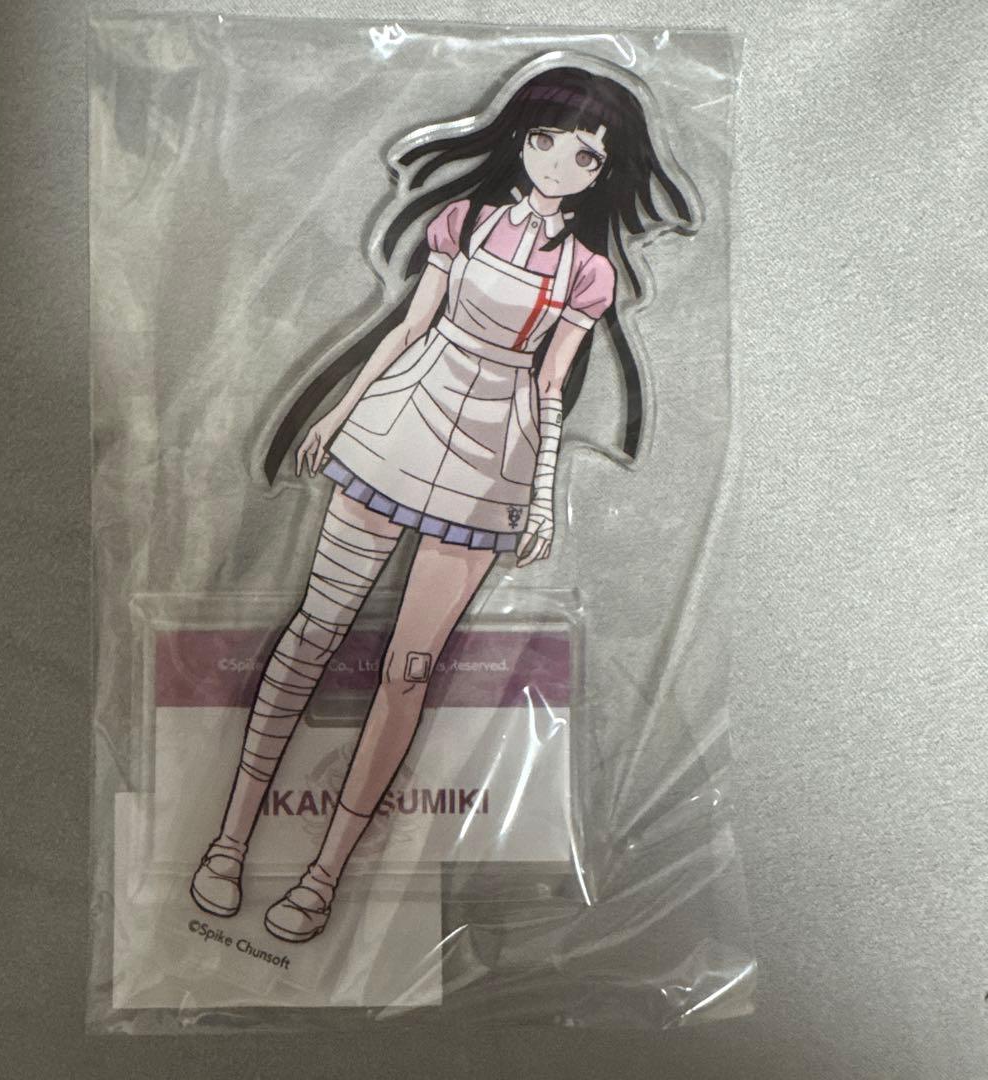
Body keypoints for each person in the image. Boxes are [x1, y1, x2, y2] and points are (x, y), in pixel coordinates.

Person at [190, 60, 696, 943]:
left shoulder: (588, 273)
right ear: (521, 139)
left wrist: (542, 494)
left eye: (583, 154)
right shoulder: (461, 220)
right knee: (313, 631)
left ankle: (323, 876)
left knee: (409, 669)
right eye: (546, 140)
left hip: (492, 455)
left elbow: (552, 386)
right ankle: (229, 842)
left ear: (604, 170)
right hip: (401, 420)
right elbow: (407, 326)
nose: (557, 162)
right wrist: (337, 411)